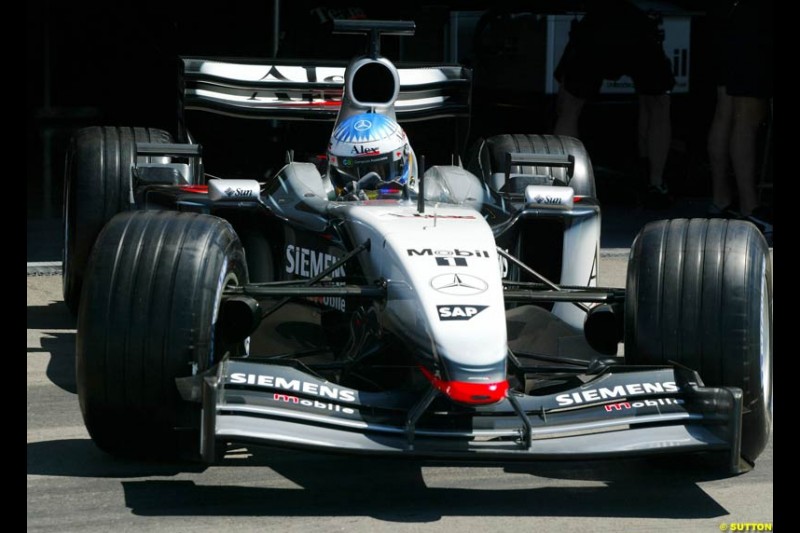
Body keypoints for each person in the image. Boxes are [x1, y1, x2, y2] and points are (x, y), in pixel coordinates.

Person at [552, 0, 675, 208]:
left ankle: (563, 181)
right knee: (657, 105)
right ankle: (655, 183)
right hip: (634, 25)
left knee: (570, 106)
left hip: (604, 25)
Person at [706, 0, 773, 240]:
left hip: (729, 19)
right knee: (746, 113)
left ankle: (721, 198)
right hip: (749, 22)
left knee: (727, 108)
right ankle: (749, 207)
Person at [327, 112, 417, 200]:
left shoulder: (429, 196)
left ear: (404, 162)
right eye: (351, 174)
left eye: (381, 171)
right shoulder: (324, 199)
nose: (366, 192)